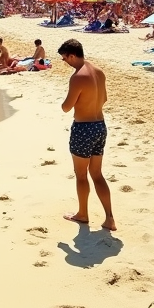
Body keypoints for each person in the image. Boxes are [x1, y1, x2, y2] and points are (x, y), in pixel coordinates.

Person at [58, 38, 115, 231]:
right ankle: (109, 218)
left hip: (83, 128)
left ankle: (83, 214)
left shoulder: (77, 77)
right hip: (100, 126)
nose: (65, 62)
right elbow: (104, 98)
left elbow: (67, 107)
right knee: (97, 174)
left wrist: (67, 103)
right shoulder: (99, 72)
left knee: (81, 175)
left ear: (72, 56)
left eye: (65, 58)